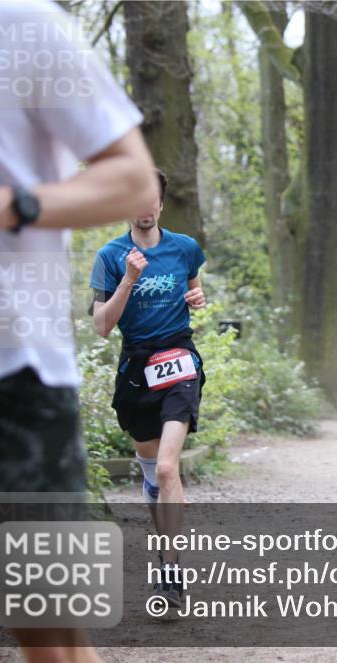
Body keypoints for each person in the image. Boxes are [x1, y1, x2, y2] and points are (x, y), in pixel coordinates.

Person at [0, 0, 157, 663]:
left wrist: (7, 204)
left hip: (4, 371)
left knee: (49, 629)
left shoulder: (18, 25)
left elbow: (131, 177)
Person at [90, 168, 206, 609]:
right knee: (154, 475)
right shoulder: (110, 255)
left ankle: (170, 574)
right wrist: (128, 280)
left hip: (179, 362)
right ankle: (159, 498)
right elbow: (102, 326)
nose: (145, 207)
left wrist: (197, 298)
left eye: (151, 198)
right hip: (136, 370)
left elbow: (195, 290)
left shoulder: (185, 248)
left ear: (161, 203)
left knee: (167, 469)